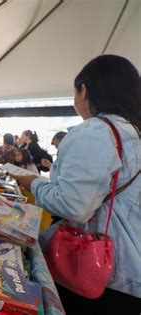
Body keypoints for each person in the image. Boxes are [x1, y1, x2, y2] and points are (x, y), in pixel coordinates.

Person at [16, 55, 141, 313]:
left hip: (96, 272)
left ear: (84, 90)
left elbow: (73, 206)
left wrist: (33, 183)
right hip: (128, 272)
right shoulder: (134, 133)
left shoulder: (97, 131)